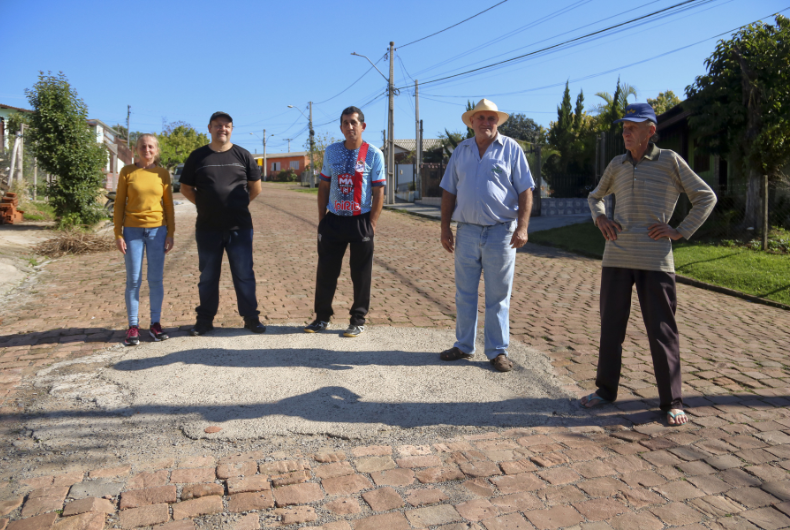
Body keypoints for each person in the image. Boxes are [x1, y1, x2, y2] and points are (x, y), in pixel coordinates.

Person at [582, 103, 716, 425]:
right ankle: (605, 391)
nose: (625, 133)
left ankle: (672, 401)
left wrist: (679, 230)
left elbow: (705, 196)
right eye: (624, 127)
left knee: (662, 331)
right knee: (611, 327)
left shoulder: (670, 161)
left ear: (650, 131)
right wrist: (600, 218)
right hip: (616, 257)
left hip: (655, 261)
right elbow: (595, 196)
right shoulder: (617, 164)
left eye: (632, 127)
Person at [439, 99, 534, 372]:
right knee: (464, 294)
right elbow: (449, 191)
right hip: (467, 231)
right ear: (472, 122)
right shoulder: (461, 151)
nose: (486, 123)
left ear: (497, 122)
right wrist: (444, 228)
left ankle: (497, 351)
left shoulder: (511, 149)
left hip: (501, 233)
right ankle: (463, 345)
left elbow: (526, 190)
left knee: (498, 296)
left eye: (491, 118)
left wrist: (523, 227)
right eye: (480, 118)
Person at [179, 111, 266, 335]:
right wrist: (205, 205)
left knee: (244, 274)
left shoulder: (243, 155)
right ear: (209, 128)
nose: (222, 129)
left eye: (227, 126)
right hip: (208, 228)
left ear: (232, 129)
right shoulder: (198, 156)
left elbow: (255, 187)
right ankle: (205, 320)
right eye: (218, 125)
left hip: (240, 227)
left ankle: (251, 318)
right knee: (208, 276)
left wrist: (237, 205)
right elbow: (186, 188)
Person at [304, 106, 385, 337]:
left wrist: (372, 223)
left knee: (360, 274)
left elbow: (379, 191)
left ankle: (357, 319)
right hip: (334, 221)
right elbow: (324, 186)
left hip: (361, 221)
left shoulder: (374, 154)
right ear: (341, 127)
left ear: (363, 126)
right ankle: (322, 318)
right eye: (346, 123)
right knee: (326, 271)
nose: (350, 127)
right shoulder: (331, 152)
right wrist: (322, 219)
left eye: (354, 122)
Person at [113, 134, 175, 346]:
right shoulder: (127, 172)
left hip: (158, 231)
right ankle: (133, 326)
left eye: (150, 147)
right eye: (142, 146)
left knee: (155, 279)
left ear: (156, 150)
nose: (146, 150)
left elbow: (168, 205)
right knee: (133, 280)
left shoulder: (162, 174)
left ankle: (155, 324)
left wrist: (170, 232)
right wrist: (118, 233)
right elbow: (119, 203)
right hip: (132, 231)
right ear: (136, 149)